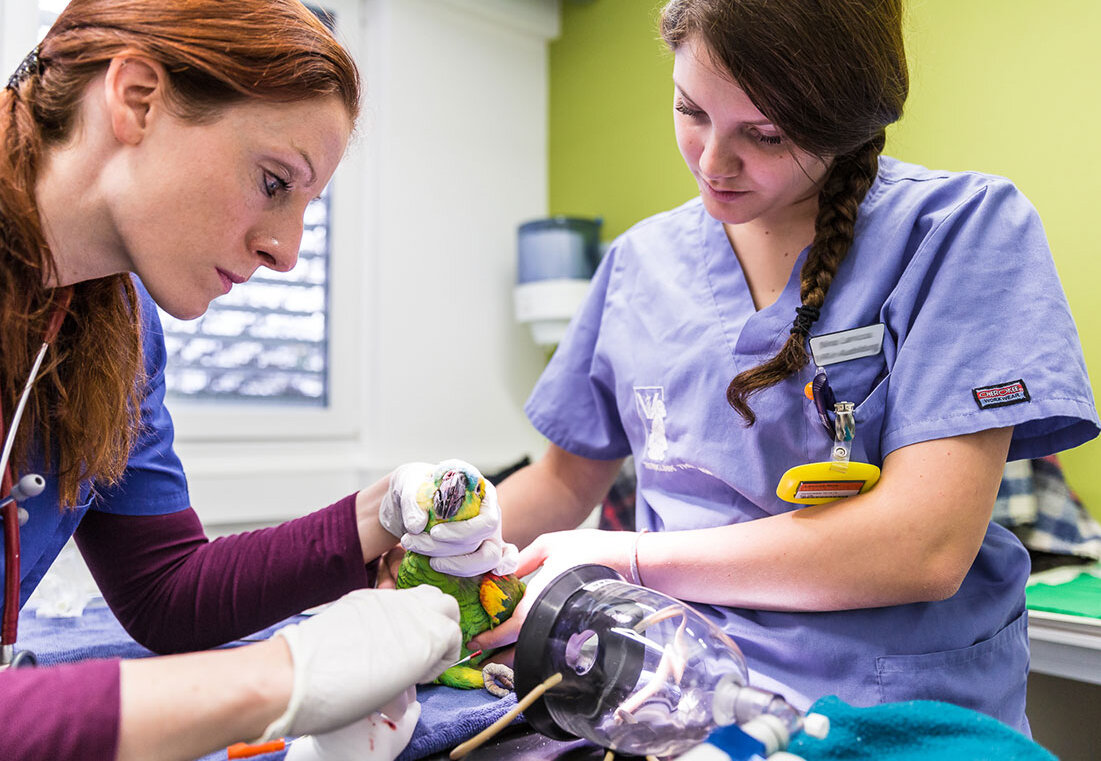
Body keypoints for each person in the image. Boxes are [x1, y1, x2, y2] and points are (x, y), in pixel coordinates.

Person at [470, 0, 1100, 733]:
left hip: (886, 716)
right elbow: (559, 481)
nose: (712, 162)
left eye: (763, 133)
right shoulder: (639, 264)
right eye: (690, 110)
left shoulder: (960, 230)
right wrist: (441, 550)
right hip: (665, 701)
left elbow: (923, 545)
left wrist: (635, 557)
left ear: (845, 118)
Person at [0, 2, 512, 760]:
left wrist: (389, 507)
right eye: (275, 182)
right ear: (137, 98)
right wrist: (280, 679)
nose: (288, 252)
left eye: (306, 207)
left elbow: (166, 591)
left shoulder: (118, 328)